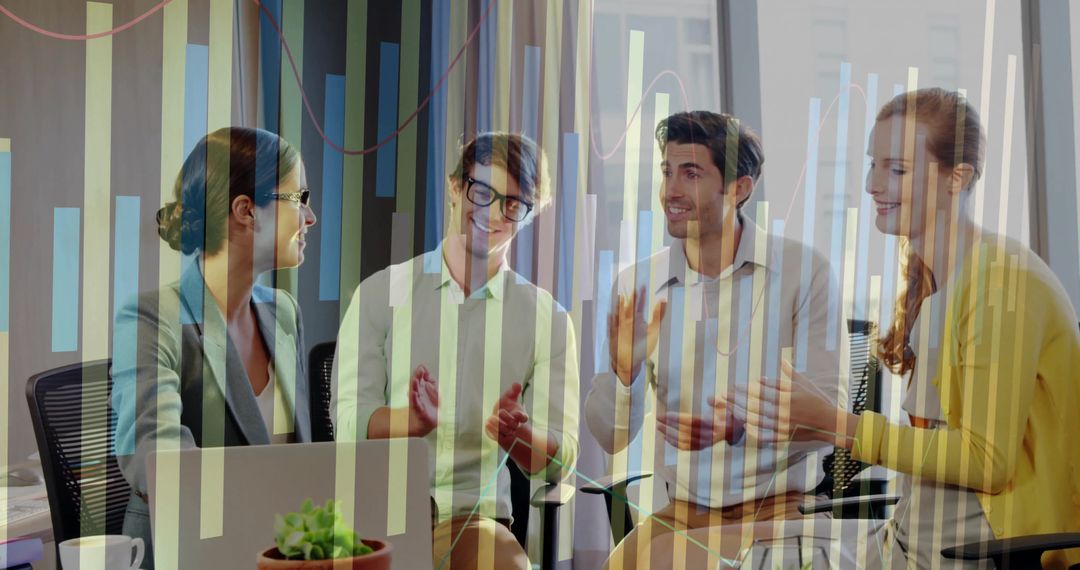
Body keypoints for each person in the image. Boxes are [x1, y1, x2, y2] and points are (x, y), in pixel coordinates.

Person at [722, 88, 1080, 569]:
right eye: (873, 164)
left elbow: (984, 462)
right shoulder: (938, 281)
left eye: (897, 170)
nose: (872, 184)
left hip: (977, 548)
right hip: (912, 535)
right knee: (739, 549)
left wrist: (836, 424)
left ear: (958, 178)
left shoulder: (1001, 284)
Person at [585, 111, 842, 570]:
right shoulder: (639, 285)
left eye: (692, 174)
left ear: (739, 188)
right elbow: (610, 438)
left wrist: (740, 427)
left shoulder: (804, 273)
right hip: (684, 512)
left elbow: (829, 422)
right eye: (667, 172)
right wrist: (624, 374)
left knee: (664, 563)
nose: (672, 192)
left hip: (781, 508)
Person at [332, 132, 580, 570]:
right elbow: (348, 425)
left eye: (512, 204)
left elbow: (559, 462)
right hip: (376, 519)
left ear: (529, 214)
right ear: (453, 186)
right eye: (481, 191)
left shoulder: (549, 320)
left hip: (474, 521)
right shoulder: (380, 294)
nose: (492, 213)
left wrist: (518, 437)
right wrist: (413, 422)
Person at [112, 127, 318, 568]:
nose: (310, 217)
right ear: (246, 211)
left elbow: (300, 462)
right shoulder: (151, 316)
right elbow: (159, 463)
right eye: (298, 199)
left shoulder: (284, 313)